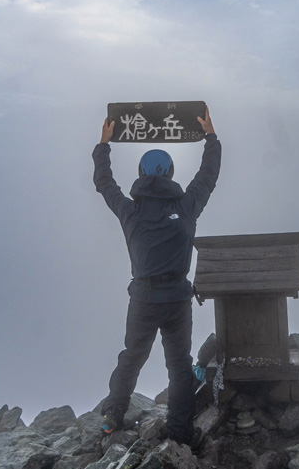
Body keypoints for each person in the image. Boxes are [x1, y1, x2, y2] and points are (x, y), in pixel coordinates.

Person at [92, 107, 221, 447]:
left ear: (141, 173)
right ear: (171, 173)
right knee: (179, 368)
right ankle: (180, 435)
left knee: (131, 357)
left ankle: (112, 416)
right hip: (178, 298)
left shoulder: (130, 210)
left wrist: (103, 144)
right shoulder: (188, 204)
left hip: (144, 299)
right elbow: (208, 175)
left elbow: (104, 183)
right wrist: (210, 137)